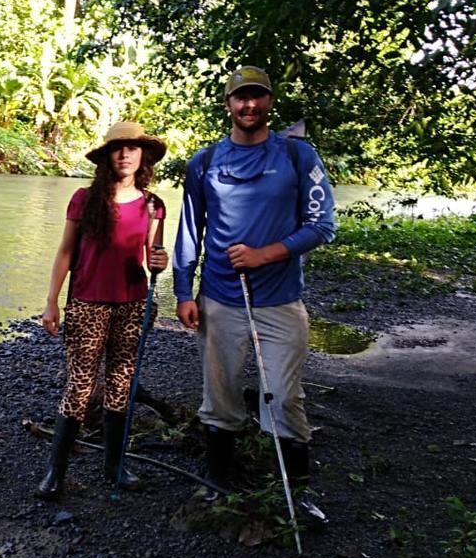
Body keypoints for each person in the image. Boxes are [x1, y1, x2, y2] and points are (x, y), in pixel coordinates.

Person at [172, 66, 336, 495]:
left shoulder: (299, 157)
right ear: (227, 104)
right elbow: (190, 230)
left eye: (257, 96)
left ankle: (297, 494)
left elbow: (322, 225)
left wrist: (266, 254)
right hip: (220, 299)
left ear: (269, 102)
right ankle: (218, 486)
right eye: (240, 97)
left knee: (284, 399)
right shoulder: (204, 162)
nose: (249, 105)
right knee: (220, 398)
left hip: (280, 300)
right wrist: (183, 292)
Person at [37, 121, 169, 500]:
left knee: (120, 387)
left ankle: (115, 467)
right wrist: (51, 301)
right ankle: (55, 472)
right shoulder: (84, 198)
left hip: (132, 304)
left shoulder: (152, 204)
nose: (125, 154)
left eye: (132, 148)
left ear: (143, 156)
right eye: (118, 148)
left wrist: (160, 261)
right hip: (87, 302)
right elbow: (65, 251)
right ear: (107, 157)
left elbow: (152, 256)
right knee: (79, 387)